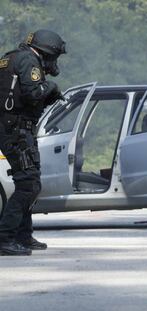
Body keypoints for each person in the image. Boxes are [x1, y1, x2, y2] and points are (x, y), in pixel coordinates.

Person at [0, 30, 66, 256]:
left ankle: (23, 236)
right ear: (48, 51)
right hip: (17, 131)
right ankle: (5, 238)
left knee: (28, 182)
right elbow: (33, 93)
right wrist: (53, 89)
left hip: (13, 129)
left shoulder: (11, 58)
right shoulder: (29, 60)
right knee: (28, 184)